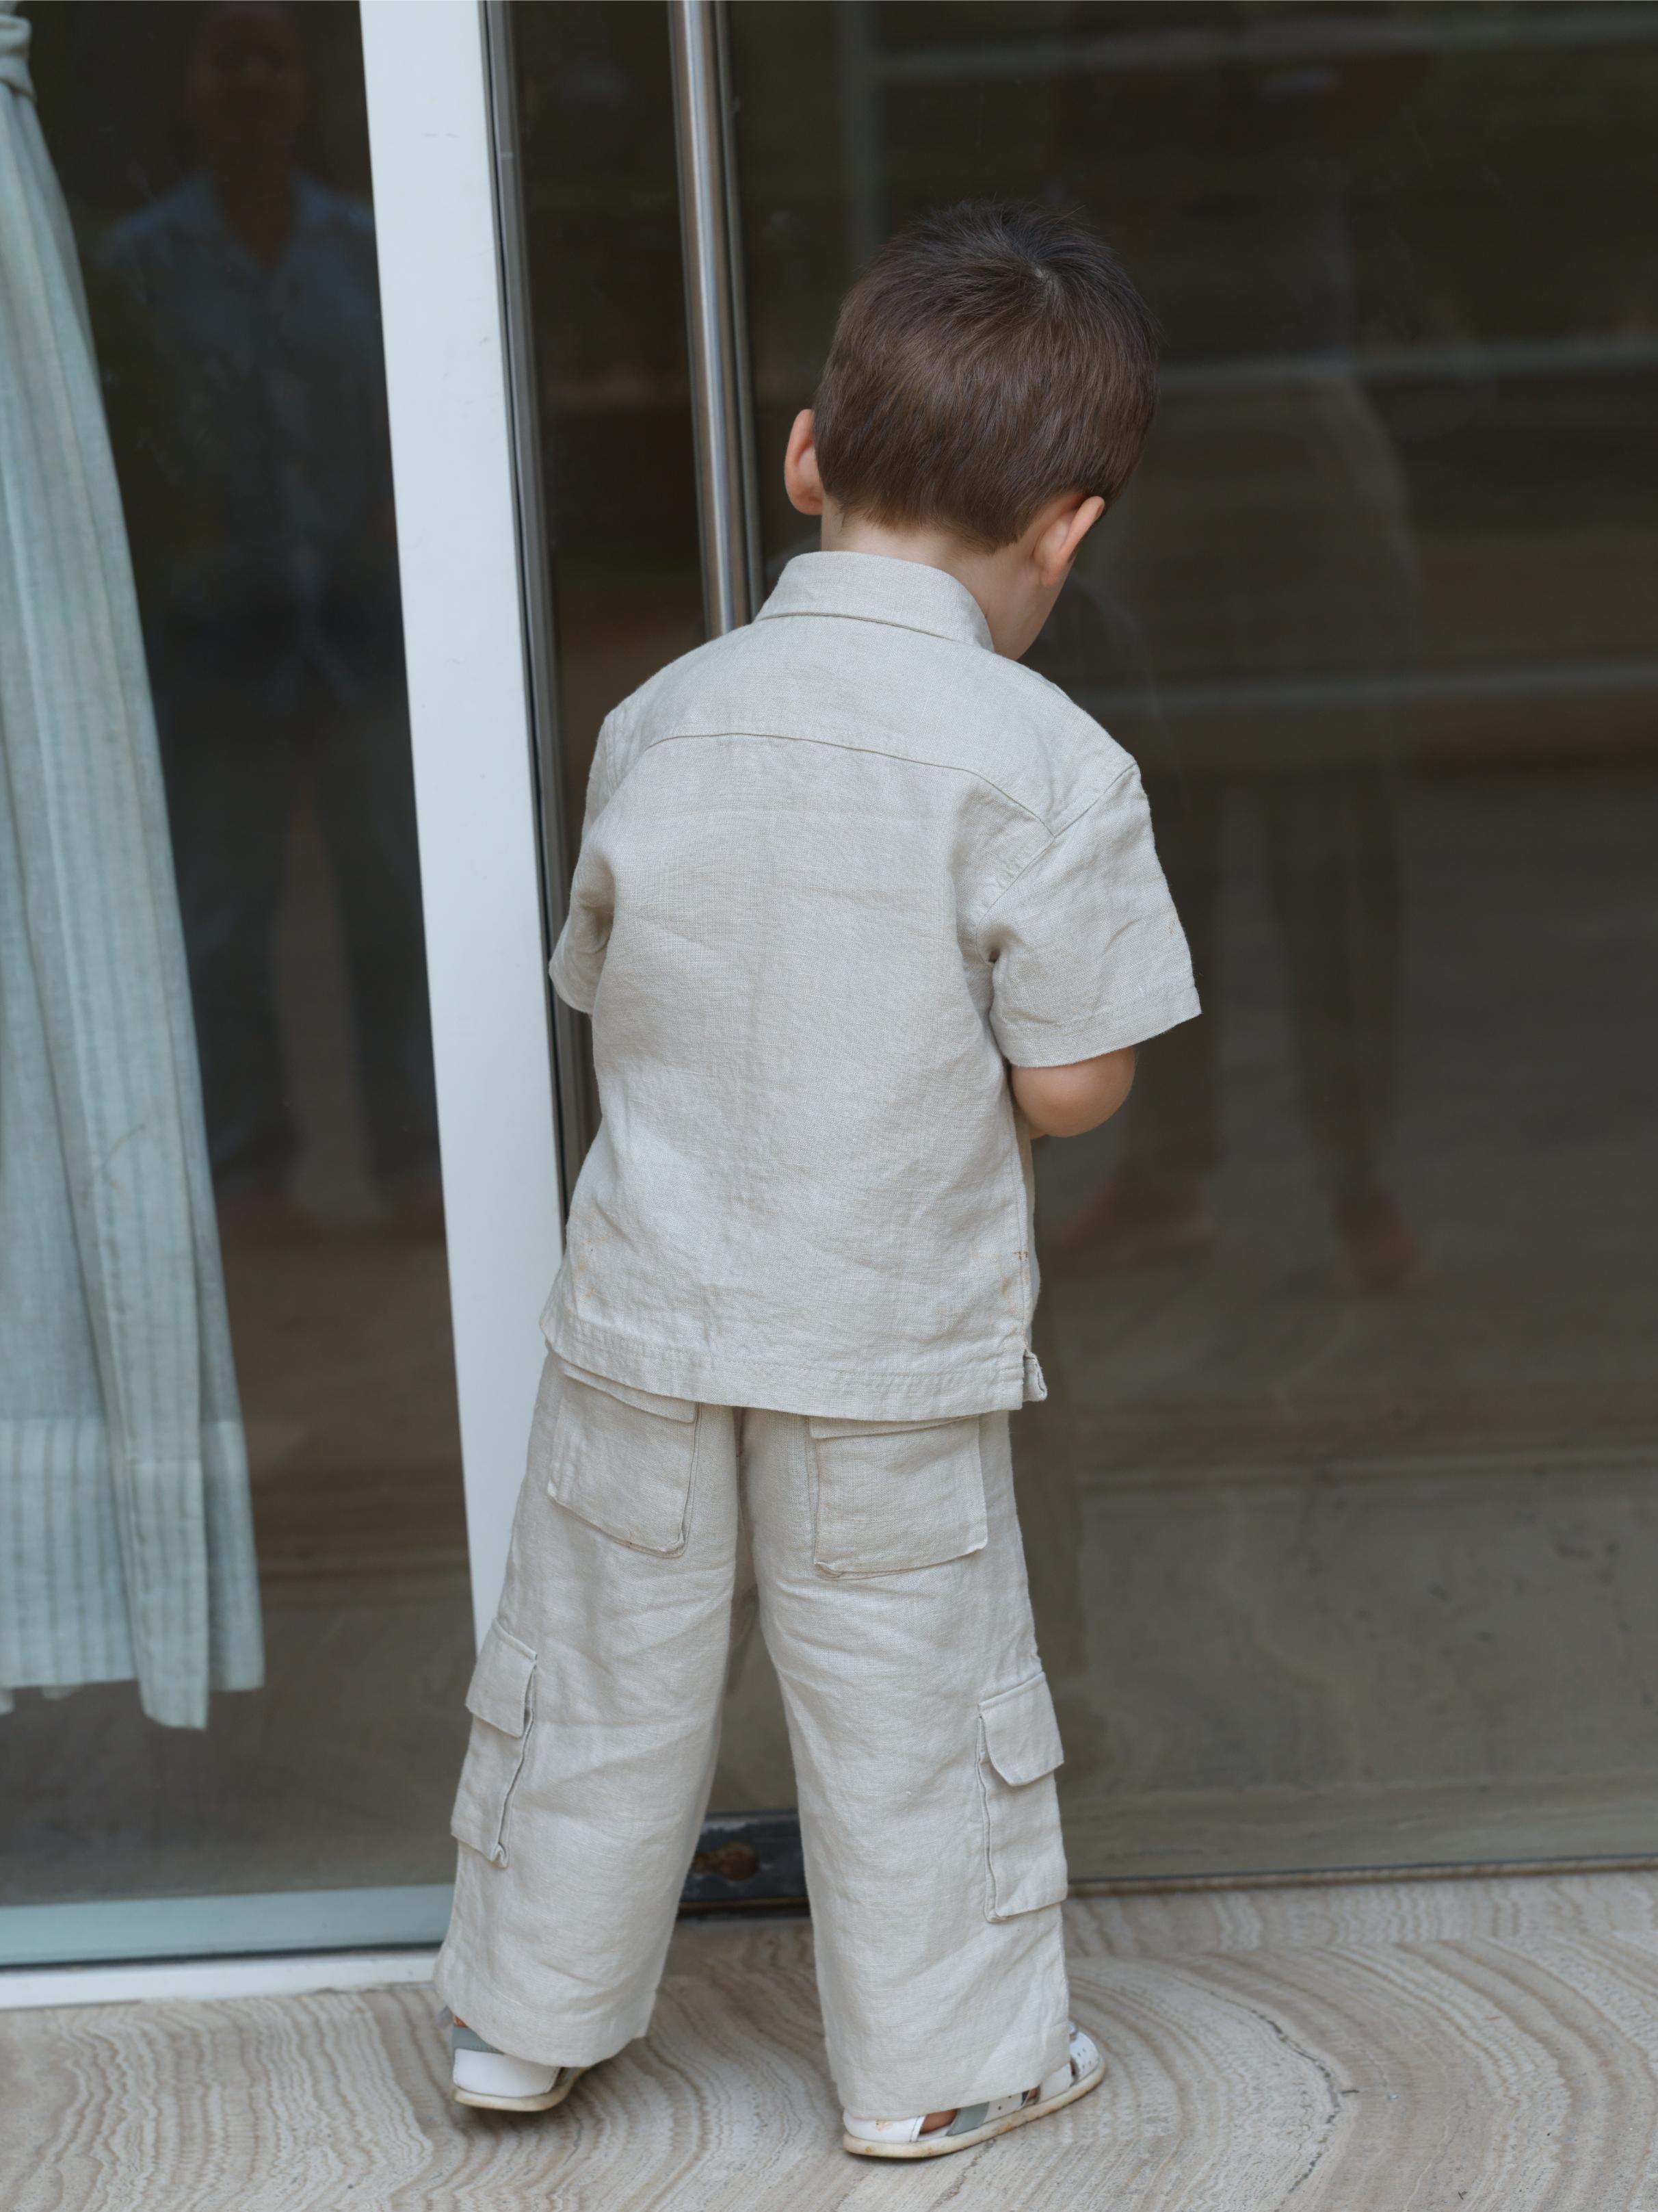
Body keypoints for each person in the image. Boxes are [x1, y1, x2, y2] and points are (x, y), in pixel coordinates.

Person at [434, 203, 1198, 2159]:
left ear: (803, 456)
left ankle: (519, 2025)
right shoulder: (1045, 762)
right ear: (1070, 529)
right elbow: (1079, 1080)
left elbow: (611, 989)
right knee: (909, 1710)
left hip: (648, 1326)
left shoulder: (658, 717)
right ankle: (943, 2066)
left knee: (599, 1675)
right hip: (888, 1345)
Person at [97, 1, 438, 1234]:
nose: (249, 78)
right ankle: (246, 1172)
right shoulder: (138, 263)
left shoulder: (365, 248)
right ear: (190, 88)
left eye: (273, 57)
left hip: (362, 630)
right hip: (211, 638)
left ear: (306, 88)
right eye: (225, 56)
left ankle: (418, 1160)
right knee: (225, 919)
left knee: (395, 900)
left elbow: (426, 424)